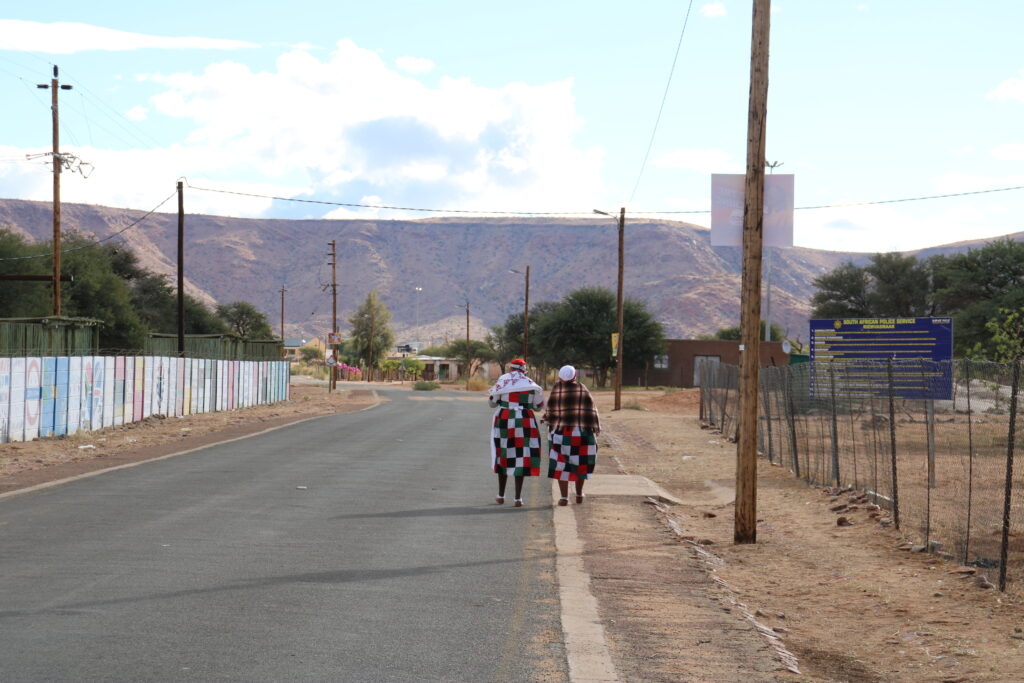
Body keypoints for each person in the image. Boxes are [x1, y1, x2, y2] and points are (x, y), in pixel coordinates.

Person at [488, 358, 544, 507]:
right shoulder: (530, 384)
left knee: (503, 454)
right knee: (522, 455)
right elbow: (538, 407)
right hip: (525, 421)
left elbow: (492, 403)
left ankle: (501, 495)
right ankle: (518, 498)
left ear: (510, 369)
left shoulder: (503, 381)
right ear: (524, 370)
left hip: (505, 420)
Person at [545, 365, 600, 506]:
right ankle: (579, 494)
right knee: (580, 464)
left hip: (560, 433)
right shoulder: (582, 389)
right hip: (581, 433)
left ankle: (564, 497)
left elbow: (550, 411)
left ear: (560, 377)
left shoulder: (557, 389)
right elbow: (591, 411)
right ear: (575, 376)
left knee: (560, 464)